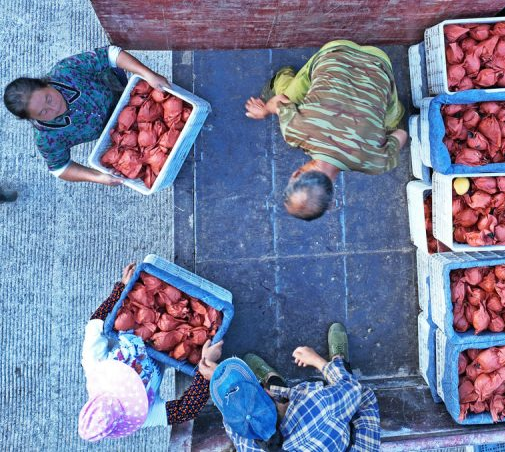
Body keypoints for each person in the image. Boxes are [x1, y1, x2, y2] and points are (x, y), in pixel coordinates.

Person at [244, 40, 409, 221]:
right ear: (296, 174)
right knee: (285, 95)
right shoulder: (293, 131)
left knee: (393, 121)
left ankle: (388, 110)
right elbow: (280, 100)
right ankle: (282, 75)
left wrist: (377, 135)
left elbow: (401, 134)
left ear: (331, 198)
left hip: (380, 61)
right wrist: (265, 110)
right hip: (335, 51)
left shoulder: (376, 163)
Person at [78, 262, 223, 442]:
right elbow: (185, 410)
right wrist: (205, 371)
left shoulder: (94, 365)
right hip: (164, 352)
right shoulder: (140, 412)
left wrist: (121, 290)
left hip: (137, 327)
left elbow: (95, 325)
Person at [3, 46, 170, 185]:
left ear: (45, 83)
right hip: (114, 131)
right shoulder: (47, 138)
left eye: (48, 98)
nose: (53, 107)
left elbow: (110, 54)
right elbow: (60, 168)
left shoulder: (66, 71)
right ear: (32, 118)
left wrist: (148, 74)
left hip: (120, 92)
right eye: (43, 112)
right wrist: (97, 177)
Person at [209, 323, 381, 451]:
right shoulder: (319, 405)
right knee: (357, 394)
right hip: (339, 435)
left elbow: (232, 409)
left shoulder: (244, 439)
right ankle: (338, 360)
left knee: (276, 393)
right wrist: (316, 360)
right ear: (268, 392)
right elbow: (352, 389)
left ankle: (272, 378)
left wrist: (214, 377)